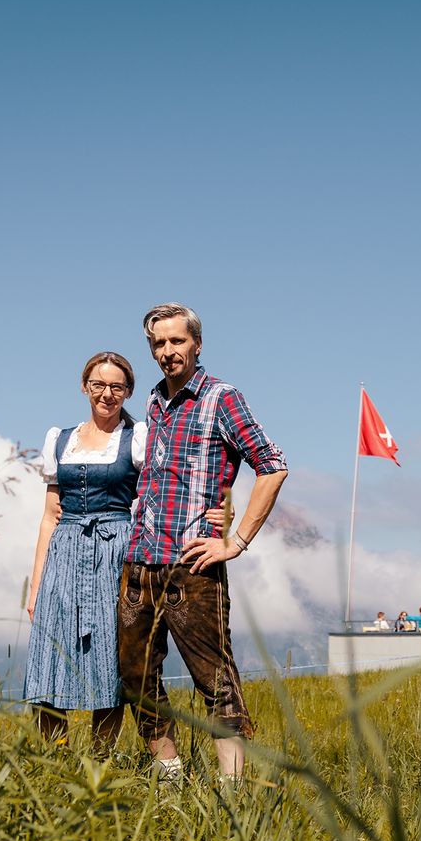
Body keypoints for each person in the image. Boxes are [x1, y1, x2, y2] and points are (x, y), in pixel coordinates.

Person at [118, 303, 288, 786]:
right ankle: (169, 777)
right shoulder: (151, 403)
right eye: (159, 344)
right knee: (136, 676)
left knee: (214, 680)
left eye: (177, 341)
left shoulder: (221, 397)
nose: (168, 351)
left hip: (193, 566)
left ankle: (232, 789)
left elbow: (273, 465)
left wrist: (235, 540)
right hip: (139, 561)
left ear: (196, 343)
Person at [21, 352, 146, 751]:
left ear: (127, 392)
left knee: (107, 661)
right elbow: (48, 517)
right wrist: (36, 585)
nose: (106, 394)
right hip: (65, 552)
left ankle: (99, 763)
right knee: (49, 657)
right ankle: (54, 765)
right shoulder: (60, 439)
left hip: (115, 554)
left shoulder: (137, 439)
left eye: (116, 387)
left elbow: (151, 501)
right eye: (98, 385)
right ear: (84, 387)